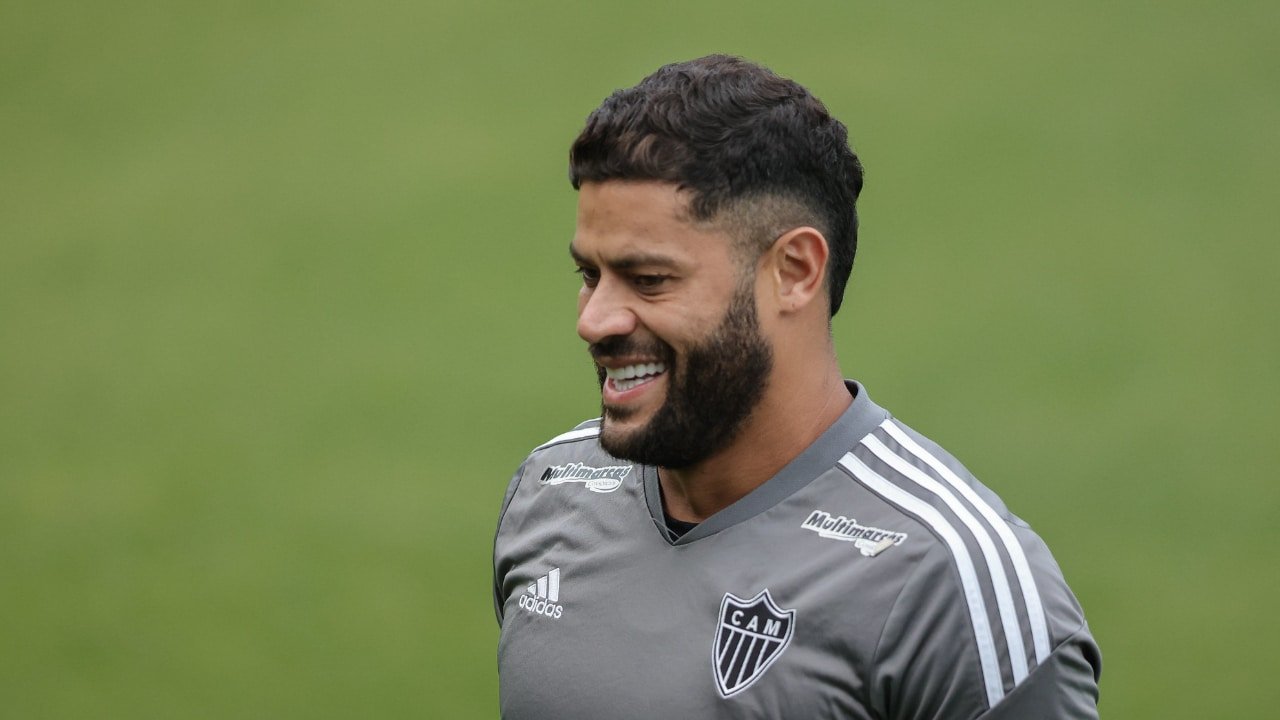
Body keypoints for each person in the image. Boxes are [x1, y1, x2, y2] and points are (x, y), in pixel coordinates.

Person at [492, 54, 1101, 719]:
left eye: (649, 279)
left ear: (794, 271)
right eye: (589, 274)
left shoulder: (949, 586)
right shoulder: (550, 495)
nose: (593, 320)